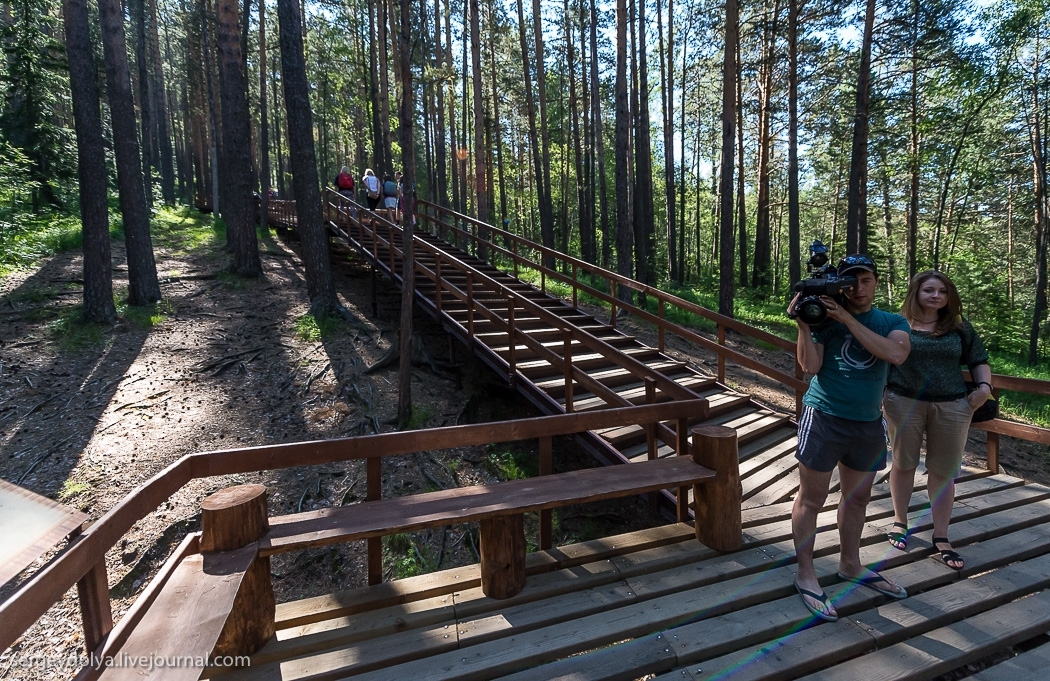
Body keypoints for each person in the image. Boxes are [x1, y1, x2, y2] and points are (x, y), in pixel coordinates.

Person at [788, 253, 911, 622]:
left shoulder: (892, 321)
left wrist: (846, 319)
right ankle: (805, 573)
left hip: (867, 422)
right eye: (850, 280)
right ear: (839, 283)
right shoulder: (823, 320)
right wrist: (803, 325)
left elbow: (896, 354)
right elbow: (810, 367)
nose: (857, 287)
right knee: (812, 498)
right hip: (824, 416)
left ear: (875, 282)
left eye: (865, 279)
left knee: (857, 501)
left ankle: (850, 564)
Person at [883, 271, 992, 571]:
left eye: (942, 291)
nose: (936, 296)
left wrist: (984, 389)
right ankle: (899, 522)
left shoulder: (959, 327)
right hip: (904, 402)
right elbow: (883, 357)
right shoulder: (897, 324)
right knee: (903, 463)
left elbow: (979, 359)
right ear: (916, 292)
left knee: (944, 472)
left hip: (953, 405)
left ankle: (941, 535)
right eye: (929, 290)